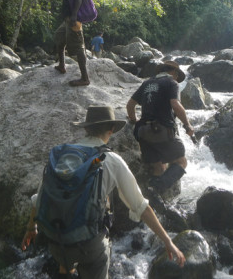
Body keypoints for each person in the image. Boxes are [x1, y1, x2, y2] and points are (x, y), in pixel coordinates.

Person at [21, 106, 185, 278]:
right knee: (97, 256)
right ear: (112, 130)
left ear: (85, 128)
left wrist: (31, 228)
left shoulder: (63, 155)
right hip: (90, 246)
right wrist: (168, 241)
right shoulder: (111, 160)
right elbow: (141, 206)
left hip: (56, 239)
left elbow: (39, 197)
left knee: (65, 261)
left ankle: (66, 270)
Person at [126, 61, 194, 193]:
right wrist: (188, 125)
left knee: (158, 168)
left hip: (142, 133)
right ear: (173, 72)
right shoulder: (171, 83)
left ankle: (153, 196)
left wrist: (134, 120)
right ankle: (155, 189)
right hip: (162, 131)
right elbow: (175, 104)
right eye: (176, 76)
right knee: (181, 162)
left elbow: (130, 105)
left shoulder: (146, 83)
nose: (176, 79)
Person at [53, 0, 92, 86]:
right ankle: (62, 65)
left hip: (74, 17)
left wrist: (75, 15)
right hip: (68, 17)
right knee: (59, 37)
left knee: (78, 47)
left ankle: (85, 78)